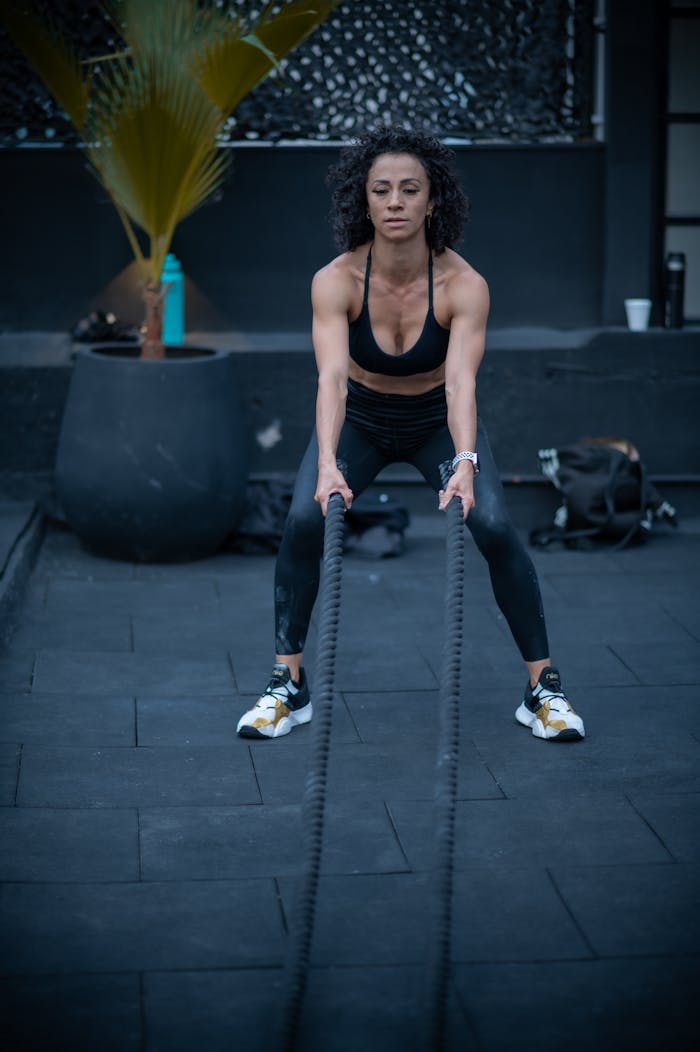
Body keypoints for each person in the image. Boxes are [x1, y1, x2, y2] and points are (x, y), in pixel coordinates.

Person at [237, 125, 585, 744]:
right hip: (362, 419)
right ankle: (286, 685)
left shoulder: (464, 286)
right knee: (302, 520)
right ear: (362, 201)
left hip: (434, 422)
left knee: (496, 526)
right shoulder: (335, 280)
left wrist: (467, 463)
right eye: (382, 190)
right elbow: (332, 380)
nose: (395, 201)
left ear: (433, 200)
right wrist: (325, 465)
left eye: (409, 189)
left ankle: (543, 688)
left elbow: (460, 386)